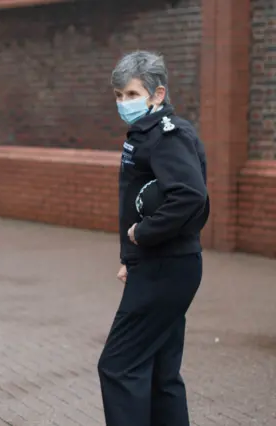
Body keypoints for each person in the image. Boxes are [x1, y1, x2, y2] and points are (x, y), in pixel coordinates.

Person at [97, 50, 210, 426]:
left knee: (118, 366)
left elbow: (190, 196)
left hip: (167, 267)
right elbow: (143, 198)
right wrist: (132, 258)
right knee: (161, 373)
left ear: (157, 95)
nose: (123, 103)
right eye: (118, 96)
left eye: (131, 95)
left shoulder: (166, 135)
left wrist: (143, 236)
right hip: (162, 266)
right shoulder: (148, 133)